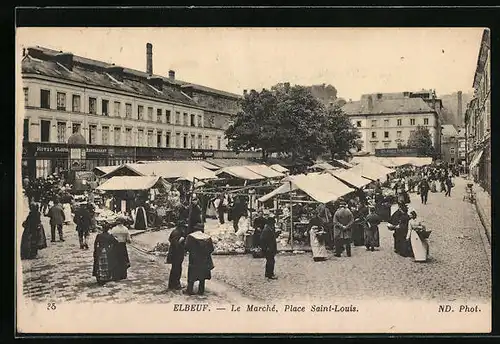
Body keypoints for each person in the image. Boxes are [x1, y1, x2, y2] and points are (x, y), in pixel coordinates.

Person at [184, 224, 215, 295]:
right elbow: (211, 249)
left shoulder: (190, 237)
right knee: (202, 276)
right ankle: (201, 290)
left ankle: (189, 290)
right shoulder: (207, 237)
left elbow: (186, 247)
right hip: (205, 260)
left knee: (192, 275)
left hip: (194, 259)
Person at [109, 217, 132, 281]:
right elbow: (129, 240)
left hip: (115, 246)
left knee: (116, 260)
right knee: (123, 260)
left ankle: (116, 275)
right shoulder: (126, 229)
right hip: (123, 246)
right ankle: (123, 275)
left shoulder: (114, 229)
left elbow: (111, 238)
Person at [166, 223, 186, 290]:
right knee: (177, 270)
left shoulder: (175, 231)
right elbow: (176, 245)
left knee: (174, 269)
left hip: (173, 254)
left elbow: (169, 239)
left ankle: (172, 285)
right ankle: (176, 285)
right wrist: (181, 241)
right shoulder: (178, 233)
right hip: (176, 254)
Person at [260, 213, 278, 279]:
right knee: (271, 261)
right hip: (268, 249)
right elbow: (262, 239)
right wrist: (266, 247)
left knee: (269, 261)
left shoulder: (268, 228)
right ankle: (270, 274)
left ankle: (267, 273)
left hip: (270, 248)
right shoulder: (267, 230)